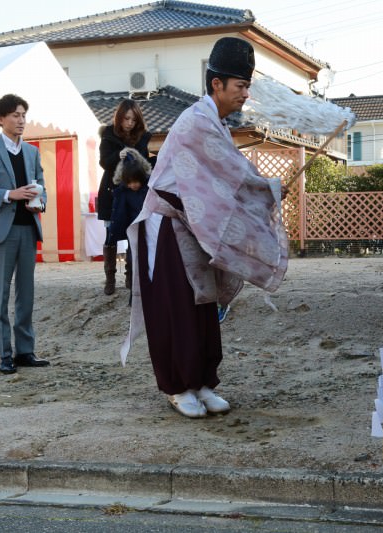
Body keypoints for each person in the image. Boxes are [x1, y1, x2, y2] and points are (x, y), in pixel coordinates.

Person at [120, 37, 289, 418]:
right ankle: (178, 387)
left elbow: (225, 176)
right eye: (240, 86)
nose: (245, 93)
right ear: (217, 84)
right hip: (168, 224)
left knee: (203, 302)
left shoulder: (213, 121)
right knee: (177, 306)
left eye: (247, 86)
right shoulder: (197, 122)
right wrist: (269, 190)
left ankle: (202, 382)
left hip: (192, 224)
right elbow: (233, 173)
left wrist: (265, 191)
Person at [0, 94, 50, 375]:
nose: (21, 120)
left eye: (24, 115)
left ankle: (25, 351)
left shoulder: (31, 151)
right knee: (0, 294)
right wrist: (8, 195)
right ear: (0, 119)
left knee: (26, 293)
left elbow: (42, 186)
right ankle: (4, 354)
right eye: (15, 115)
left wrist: (40, 199)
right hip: (1, 229)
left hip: (28, 227)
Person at [97, 99, 152, 295]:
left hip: (135, 192)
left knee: (133, 235)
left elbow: (145, 163)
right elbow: (103, 162)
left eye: (133, 120)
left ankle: (131, 277)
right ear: (119, 118)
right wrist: (118, 155)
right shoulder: (109, 135)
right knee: (110, 234)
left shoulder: (143, 137)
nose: (129, 123)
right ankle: (110, 278)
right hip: (112, 191)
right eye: (126, 118)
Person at [109, 147, 151, 298]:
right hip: (133, 232)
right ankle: (136, 295)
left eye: (136, 182)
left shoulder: (148, 189)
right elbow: (119, 214)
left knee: (150, 262)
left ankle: (151, 291)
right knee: (133, 263)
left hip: (150, 230)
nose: (133, 185)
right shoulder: (123, 192)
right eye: (130, 182)